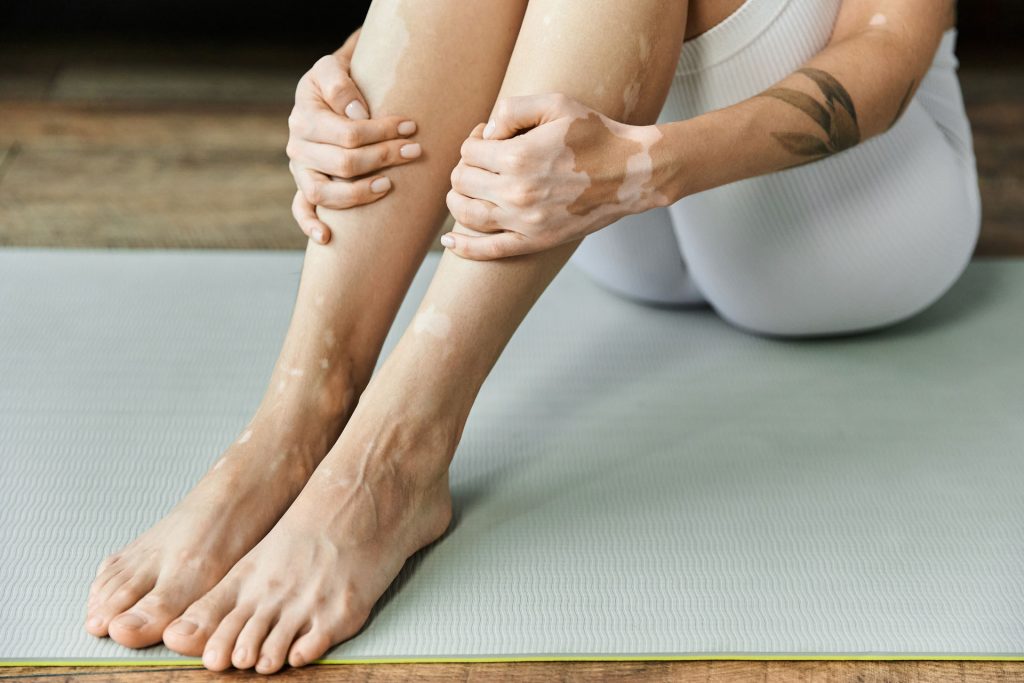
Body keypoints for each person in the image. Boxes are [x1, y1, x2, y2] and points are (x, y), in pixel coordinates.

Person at [85, 0, 975, 673]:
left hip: (844, 229)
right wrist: (348, 83)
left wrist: (646, 167)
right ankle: (296, 416)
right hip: (598, 218)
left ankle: (392, 458)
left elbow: (889, 54)